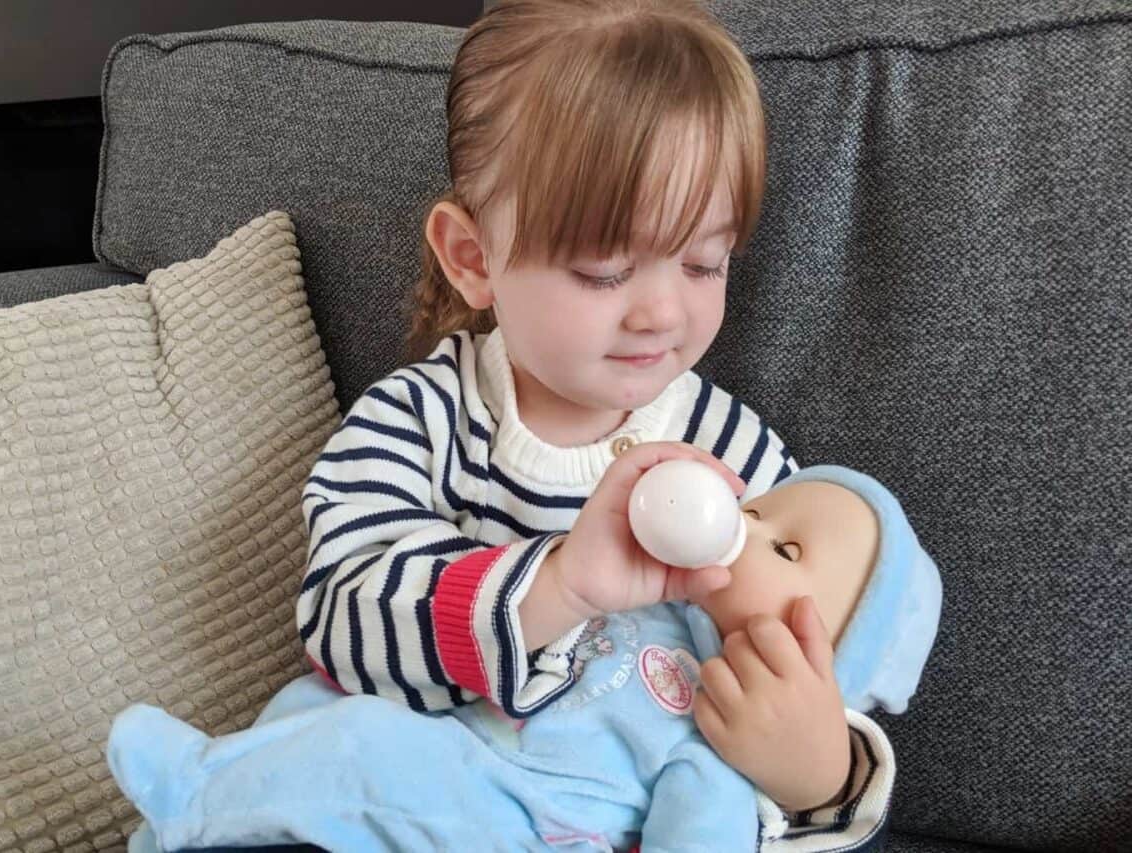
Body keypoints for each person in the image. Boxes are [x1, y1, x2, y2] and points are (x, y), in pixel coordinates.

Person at [111, 0, 914, 848]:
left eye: (703, 262)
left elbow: (820, 640)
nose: (662, 311)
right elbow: (342, 624)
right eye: (604, 270)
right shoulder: (420, 420)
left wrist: (824, 772)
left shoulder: (738, 458)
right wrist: (557, 586)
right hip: (398, 800)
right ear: (473, 258)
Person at [107, 466, 943, 852]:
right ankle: (219, 819)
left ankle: (197, 791)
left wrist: (810, 769)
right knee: (314, 710)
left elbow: (732, 827)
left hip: (531, 824)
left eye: (785, 549)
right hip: (472, 742)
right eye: (757, 506)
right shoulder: (650, 594)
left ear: (827, 658)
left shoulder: (730, 757)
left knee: (370, 753)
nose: (743, 521)